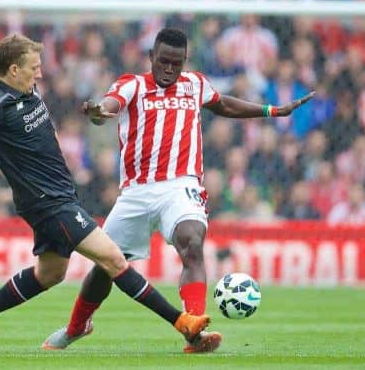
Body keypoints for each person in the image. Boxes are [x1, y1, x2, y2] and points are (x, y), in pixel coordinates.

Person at [0, 34, 212, 353]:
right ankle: (182, 323)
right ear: (12, 70)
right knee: (113, 259)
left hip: (60, 196)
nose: (39, 73)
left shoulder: (27, 90)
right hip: (47, 202)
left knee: (50, 274)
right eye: (33, 67)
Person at [43, 28, 314, 353]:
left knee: (192, 243)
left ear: (184, 61)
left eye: (177, 63)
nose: (170, 69)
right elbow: (110, 106)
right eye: (163, 62)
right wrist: (99, 113)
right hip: (136, 192)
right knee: (105, 267)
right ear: (151, 58)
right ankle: (77, 327)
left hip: (180, 185)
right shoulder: (132, 84)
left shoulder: (195, 84)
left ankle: (195, 329)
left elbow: (223, 104)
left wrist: (271, 111)